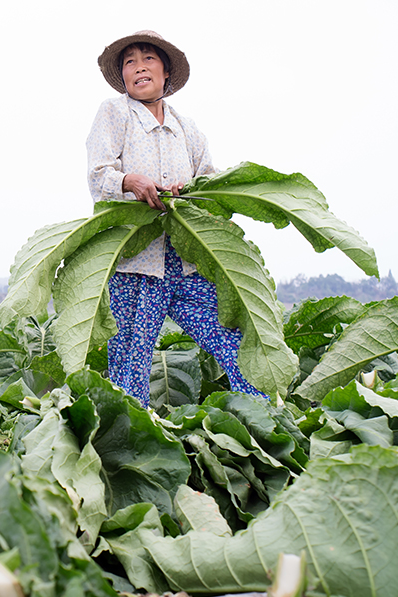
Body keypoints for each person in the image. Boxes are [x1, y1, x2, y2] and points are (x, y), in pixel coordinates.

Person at [87, 31, 265, 407]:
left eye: (148, 59)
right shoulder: (115, 112)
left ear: (166, 72)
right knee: (130, 360)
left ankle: (262, 416)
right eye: (130, 62)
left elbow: (209, 180)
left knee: (232, 335)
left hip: (186, 259)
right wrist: (129, 181)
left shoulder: (187, 127)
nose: (139, 67)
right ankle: (131, 439)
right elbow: (98, 175)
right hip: (137, 261)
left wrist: (193, 192)